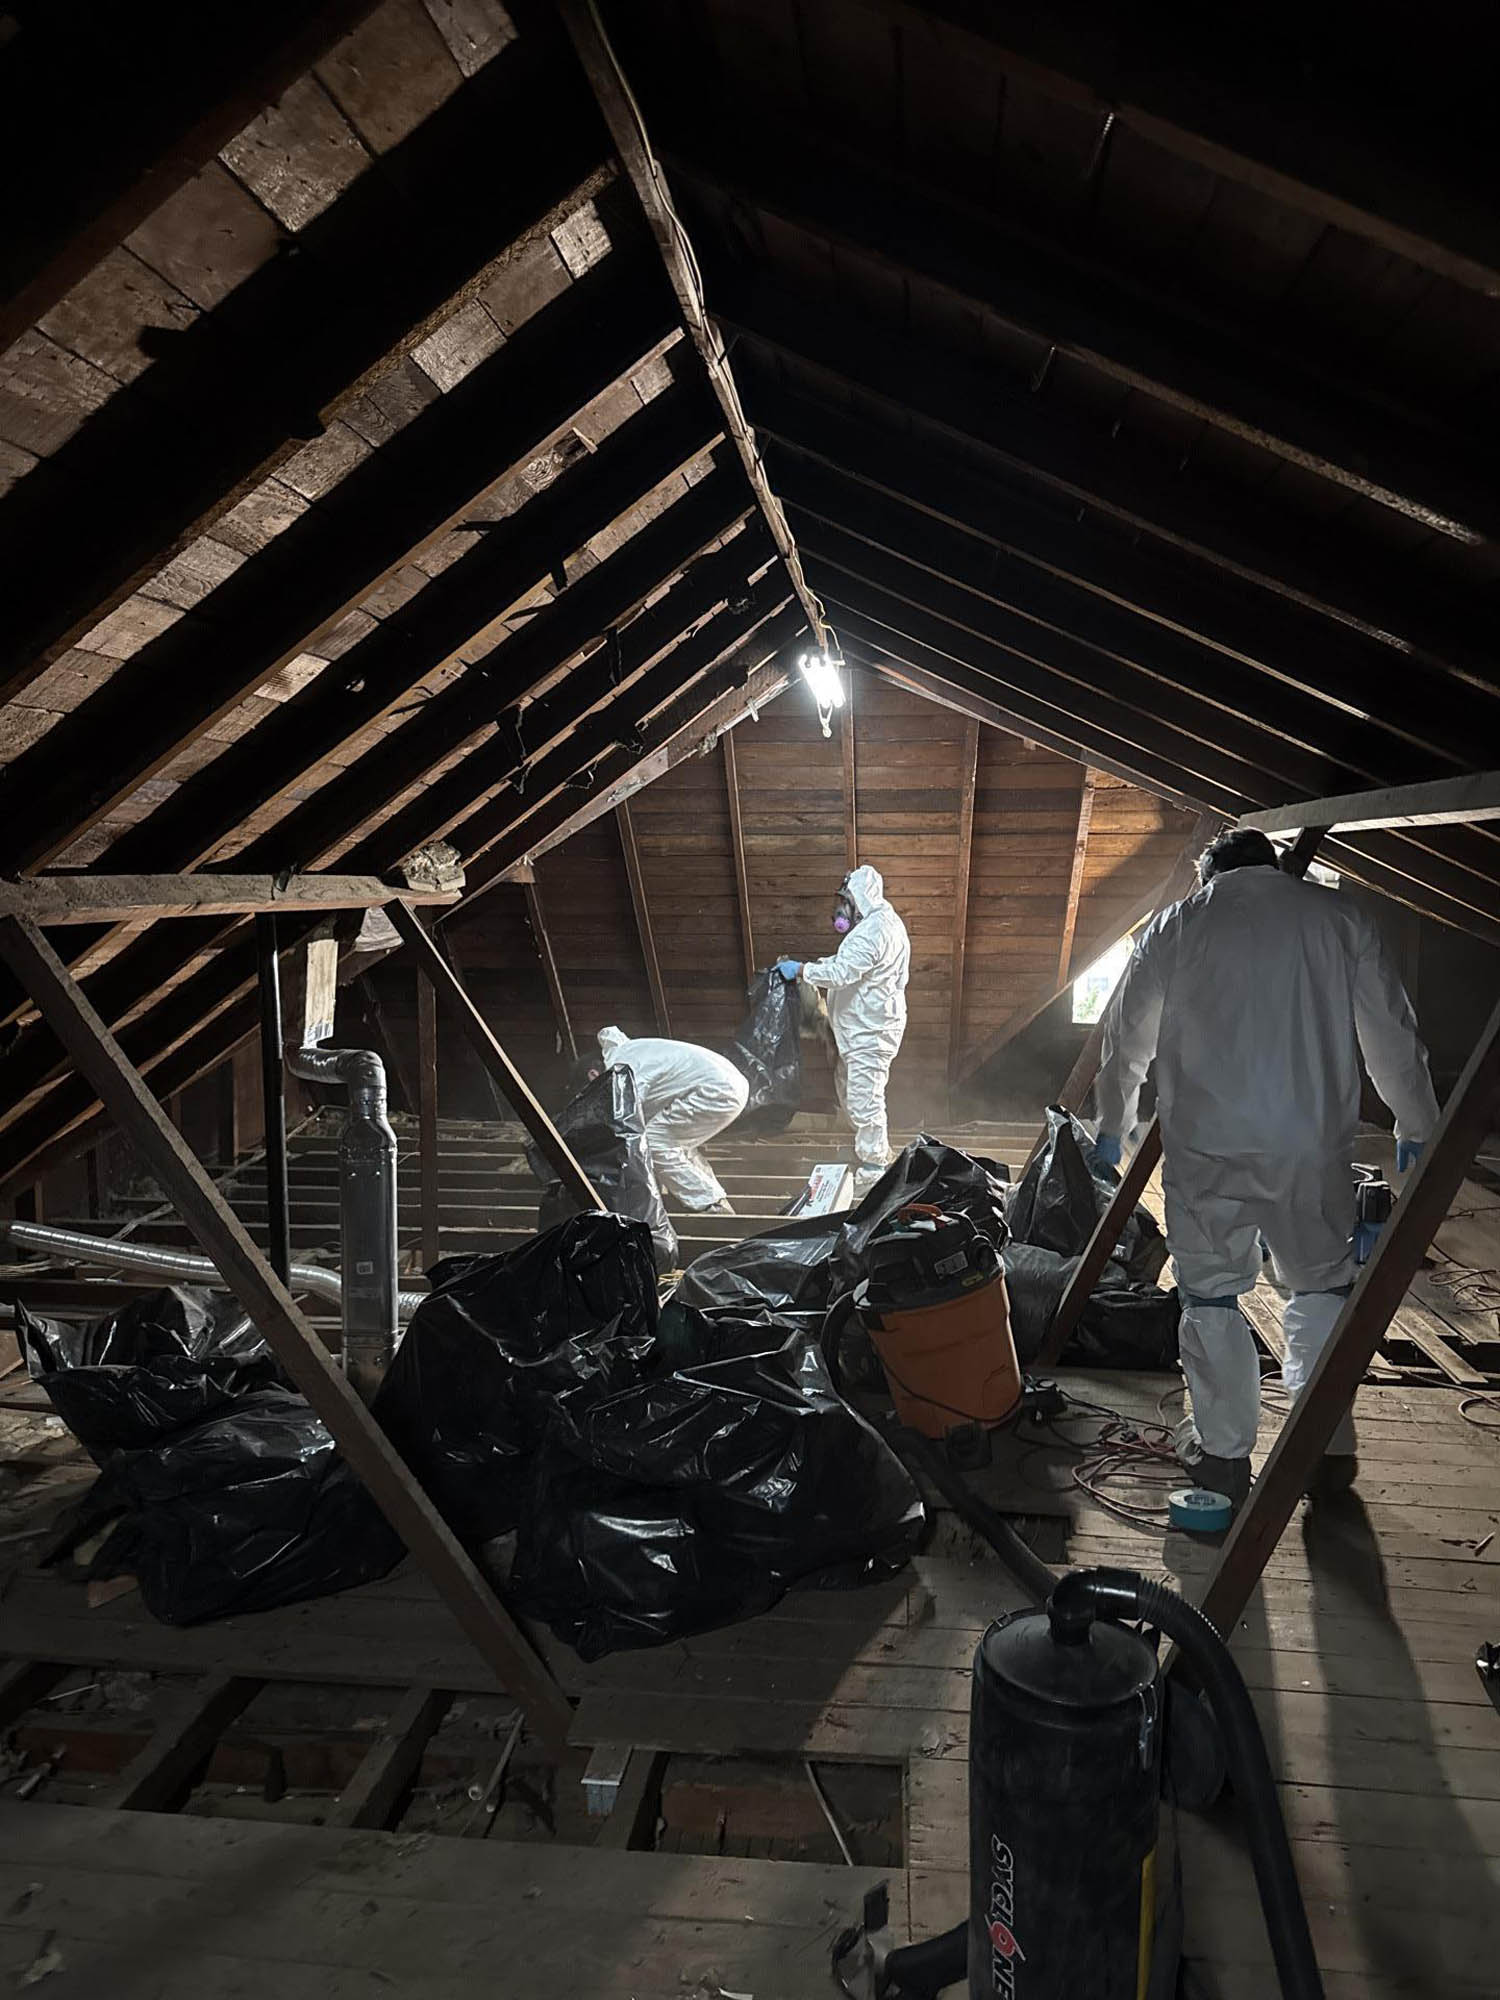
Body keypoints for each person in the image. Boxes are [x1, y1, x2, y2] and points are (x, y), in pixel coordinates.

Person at [1092, 827, 1439, 1510]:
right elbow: (1391, 1031)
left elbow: (1126, 1031)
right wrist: (1416, 1121)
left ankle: (1222, 1457)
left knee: (1213, 1295)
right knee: (1319, 1287)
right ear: (1272, 865)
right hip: (1308, 1145)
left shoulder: (1176, 924)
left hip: (1208, 1146)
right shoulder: (1338, 919)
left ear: (1209, 873)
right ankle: (1326, 1448)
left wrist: (1112, 1123)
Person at [778, 864, 911, 1191]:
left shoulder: (876, 930)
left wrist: (802, 971)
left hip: (871, 1031)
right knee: (853, 1092)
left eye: (845, 900)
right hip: (860, 1030)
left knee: (866, 1099)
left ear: (859, 899)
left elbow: (842, 974)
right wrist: (817, 967)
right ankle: (867, 1149)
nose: (841, 908)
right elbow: (846, 966)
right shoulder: (875, 925)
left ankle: (873, 1170)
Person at [576, 1026, 749, 1214]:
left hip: (714, 1091)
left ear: (593, 1075)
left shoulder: (622, 1068)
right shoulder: (630, 1051)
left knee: (655, 1143)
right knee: (674, 1143)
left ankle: (710, 1204)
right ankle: (715, 1200)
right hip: (729, 1085)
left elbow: (625, 1117)